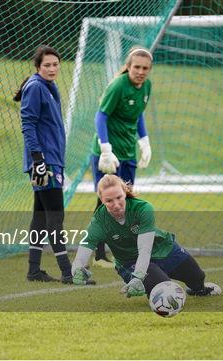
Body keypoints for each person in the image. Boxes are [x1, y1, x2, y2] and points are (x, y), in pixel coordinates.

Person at [71, 174, 222, 299]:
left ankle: (198, 289)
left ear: (125, 192)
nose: (116, 204)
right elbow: (84, 250)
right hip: (130, 261)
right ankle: (156, 291)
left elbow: (145, 249)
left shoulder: (143, 208)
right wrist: (77, 269)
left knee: (197, 277)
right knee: (164, 291)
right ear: (101, 200)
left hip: (162, 248)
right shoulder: (98, 221)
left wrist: (138, 277)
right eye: (108, 201)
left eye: (119, 197)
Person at [90, 46, 154, 267]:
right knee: (106, 203)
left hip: (128, 153)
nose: (140, 71)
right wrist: (106, 149)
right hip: (108, 155)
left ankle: (127, 250)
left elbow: (138, 115)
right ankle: (98, 252)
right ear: (128, 67)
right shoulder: (118, 85)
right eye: (136, 67)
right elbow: (101, 116)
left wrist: (144, 142)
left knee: (127, 202)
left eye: (145, 68)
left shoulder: (146, 86)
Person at [14, 45, 73, 284]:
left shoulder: (50, 86)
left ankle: (34, 270)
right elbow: (27, 124)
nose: (52, 68)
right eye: (47, 65)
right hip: (44, 163)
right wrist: (38, 159)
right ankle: (68, 273)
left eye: (55, 64)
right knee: (55, 217)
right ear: (38, 67)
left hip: (51, 161)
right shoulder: (36, 87)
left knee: (40, 216)